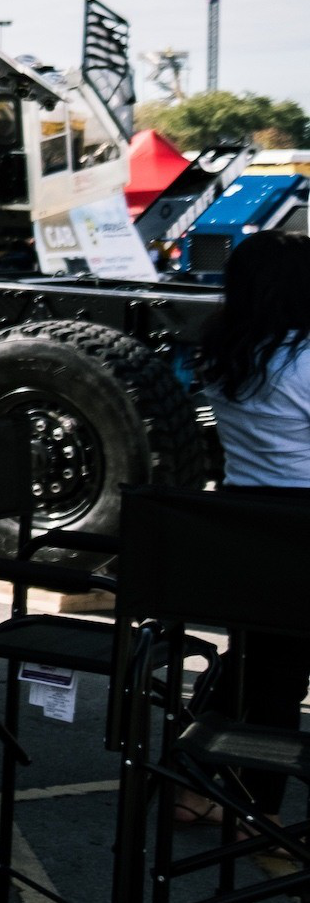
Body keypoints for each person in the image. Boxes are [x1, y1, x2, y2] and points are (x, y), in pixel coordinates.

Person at [197, 229, 310, 812]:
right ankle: (257, 809)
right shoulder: (304, 360)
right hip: (299, 530)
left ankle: (193, 784)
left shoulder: (224, 355)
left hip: (243, 522)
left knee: (252, 665)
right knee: (278, 677)